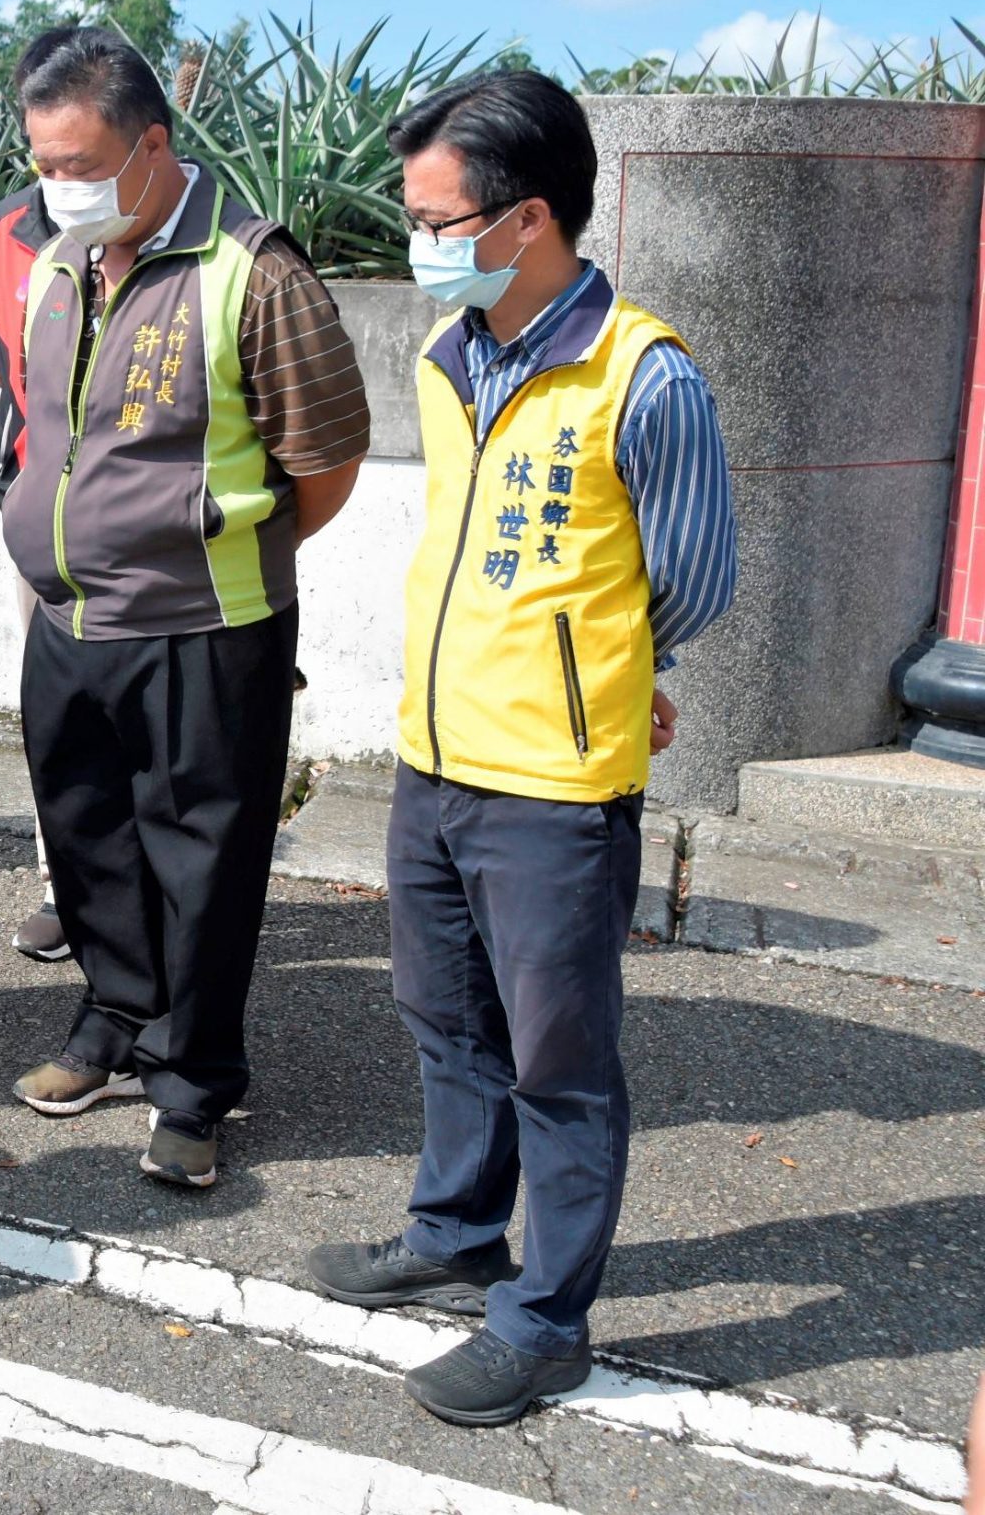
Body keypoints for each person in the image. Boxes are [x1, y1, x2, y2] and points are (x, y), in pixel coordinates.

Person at [307, 69, 736, 1427]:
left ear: (528, 217)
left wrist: (606, 670)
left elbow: (694, 578)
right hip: (435, 758)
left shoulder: (643, 375)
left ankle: (546, 1321)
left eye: (437, 219)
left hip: (553, 785)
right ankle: (453, 1232)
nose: (417, 243)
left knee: (559, 1063)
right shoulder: (453, 354)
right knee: (445, 1021)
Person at [0, 29, 369, 1189]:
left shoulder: (254, 272)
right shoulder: (58, 265)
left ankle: (194, 1081)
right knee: (86, 832)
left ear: (152, 145)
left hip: (206, 628)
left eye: (79, 163)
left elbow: (325, 461)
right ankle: (115, 1014)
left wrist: (215, 547)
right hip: (71, 618)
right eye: (42, 163)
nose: (58, 186)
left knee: (202, 860)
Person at [0, 179, 69, 962]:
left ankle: (161, 898)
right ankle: (68, 887)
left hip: (161, 523)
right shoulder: (4, 226)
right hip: (41, 509)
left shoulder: (188, 220)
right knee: (57, 706)